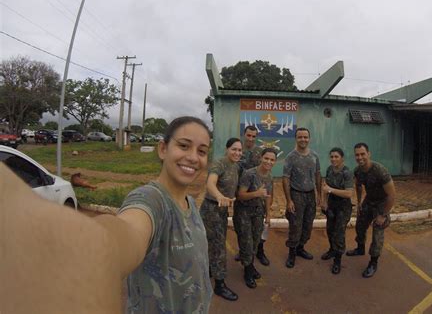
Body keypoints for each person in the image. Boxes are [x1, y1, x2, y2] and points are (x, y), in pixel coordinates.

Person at [2, 116, 214, 313]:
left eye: (202, 151)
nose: (193, 157)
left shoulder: (191, 204)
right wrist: (88, 252)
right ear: (163, 149)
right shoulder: (151, 200)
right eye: (184, 146)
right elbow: (126, 233)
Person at [346, 142, 396, 278]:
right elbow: (358, 185)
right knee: (360, 226)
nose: (360, 157)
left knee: (377, 233)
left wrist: (383, 215)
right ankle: (360, 248)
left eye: (363, 154)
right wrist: (359, 202)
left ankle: (373, 262)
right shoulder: (358, 170)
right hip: (369, 201)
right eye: (357, 155)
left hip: (382, 204)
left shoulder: (380, 171)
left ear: (369, 154)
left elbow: (392, 195)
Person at [200, 138, 242, 301]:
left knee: (214, 243)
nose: (237, 153)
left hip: (222, 210)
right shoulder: (219, 163)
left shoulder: (236, 166)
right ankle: (220, 285)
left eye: (239, 150)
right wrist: (219, 196)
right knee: (218, 246)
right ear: (227, 149)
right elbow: (210, 183)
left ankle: (211, 268)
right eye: (234, 149)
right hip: (212, 208)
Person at [233, 148, 276, 288]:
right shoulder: (249, 174)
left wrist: (268, 214)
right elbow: (240, 195)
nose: (268, 162)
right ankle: (247, 271)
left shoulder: (269, 176)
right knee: (246, 242)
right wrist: (256, 193)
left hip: (258, 213)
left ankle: (250, 265)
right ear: (261, 158)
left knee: (256, 241)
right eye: (266, 158)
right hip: (244, 212)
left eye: (272, 160)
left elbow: (268, 197)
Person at [282, 127, 321, 268]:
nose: (303, 139)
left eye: (305, 137)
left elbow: (317, 175)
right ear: (296, 138)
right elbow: (285, 178)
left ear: (309, 138)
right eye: (300, 137)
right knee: (295, 226)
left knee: (307, 225)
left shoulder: (314, 156)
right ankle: (292, 252)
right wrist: (289, 200)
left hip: (310, 195)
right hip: (296, 195)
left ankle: (300, 248)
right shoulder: (290, 157)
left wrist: (319, 194)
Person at [235, 125, 271, 266]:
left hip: (257, 195)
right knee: (241, 228)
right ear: (244, 135)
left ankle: (260, 251)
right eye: (248, 135)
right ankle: (243, 251)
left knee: (258, 229)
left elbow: (265, 173)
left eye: (253, 136)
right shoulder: (238, 151)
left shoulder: (259, 152)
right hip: (241, 195)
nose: (250, 138)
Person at [320, 147, 354, 275]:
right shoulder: (330, 169)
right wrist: (324, 201)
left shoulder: (347, 173)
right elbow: (325, 187)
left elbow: (349, 193)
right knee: (330, 229)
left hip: (343, 207)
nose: (333, 159)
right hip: (332, 205)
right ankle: (332, 250)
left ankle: (338, 260)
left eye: (336, 157)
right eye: (332, 156)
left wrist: (330, 190)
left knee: (339, 233)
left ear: (342, 158)